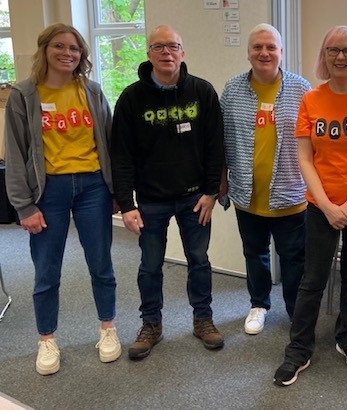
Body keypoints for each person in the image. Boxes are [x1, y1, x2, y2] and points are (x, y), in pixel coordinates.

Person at [273, 25, 347, 387]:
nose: (341, 57)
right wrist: (328, 206)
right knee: (313, 278)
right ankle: (299, 349)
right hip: (321, 206)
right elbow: (305, 158)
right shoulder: (312, 99)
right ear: (324, 56)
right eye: (333, 50)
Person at [4, 23, 121, 375]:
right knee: (46, 269)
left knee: (101, 263)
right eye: (60, 46)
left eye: (74, 49)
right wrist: (23, 205)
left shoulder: (93, 91)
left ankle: (108, 329)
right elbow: (15, 152)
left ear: (81, 55)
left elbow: (111, 145)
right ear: (45, 50)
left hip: (93, 188)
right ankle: (47, 339)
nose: (67, 54)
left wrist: (116, 192)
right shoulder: (24, 95)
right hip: (48, 190)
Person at [111, 25, 225, 360]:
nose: (167, 52)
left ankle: (203, 319)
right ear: (148, 54)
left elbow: (214, 146)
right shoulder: (131, 99)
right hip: (150, 201)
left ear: (182, 52)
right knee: (149, 265)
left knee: (199, 261)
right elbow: (121, 155)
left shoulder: (202, 92)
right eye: (159, 46)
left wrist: (210, 193)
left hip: (195, 198)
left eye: (173, 46)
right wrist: (127, 204)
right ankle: (151, 325)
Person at [219, 24, 311, 335]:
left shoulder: (301, 89)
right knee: (254, 253)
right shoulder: (232, 90)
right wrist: (221, 182)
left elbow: (315, 142)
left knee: (293, 258)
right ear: (248, 52)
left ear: (281, 53)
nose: (264, 53)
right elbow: (221, 139)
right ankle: (258, 304)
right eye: (258, 47)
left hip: (290, 192)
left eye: (271, 47)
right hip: (247, 193)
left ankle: (294, 310)